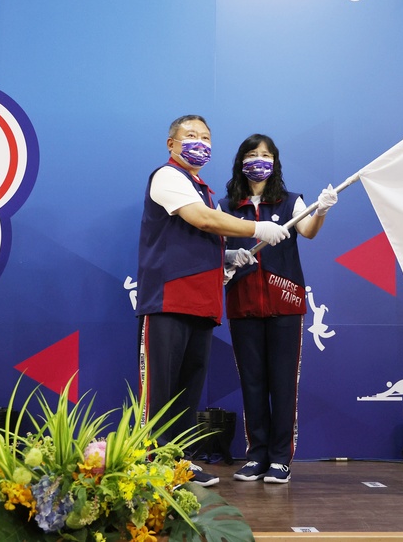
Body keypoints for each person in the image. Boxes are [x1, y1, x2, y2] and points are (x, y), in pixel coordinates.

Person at [136, 116, 291, 487]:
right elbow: (203, 221)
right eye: (190, 136)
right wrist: (257, 228)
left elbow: (198, 237)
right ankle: (154, 466)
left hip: (202, 305)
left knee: (188, 392)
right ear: (171, 143)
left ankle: (180, 462)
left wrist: (225, 258)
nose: (199, 142)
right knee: (162, 391)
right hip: (168, 301)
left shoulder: (201, 187)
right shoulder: (168, 177)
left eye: (205, 137)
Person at [219, 133, 337, 484]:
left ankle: (280, 460)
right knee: (252, 382)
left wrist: (322, 210)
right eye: (252, 154)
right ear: (241, 161)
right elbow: (216, 246)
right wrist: (227, 256)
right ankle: (256, 456)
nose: (259, 160)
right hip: (243, 305)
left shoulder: (290, 201)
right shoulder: (226, 206)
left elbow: (309, 230)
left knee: (283, 384)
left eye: (266, 154)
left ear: (276, 162)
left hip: (285, 305)